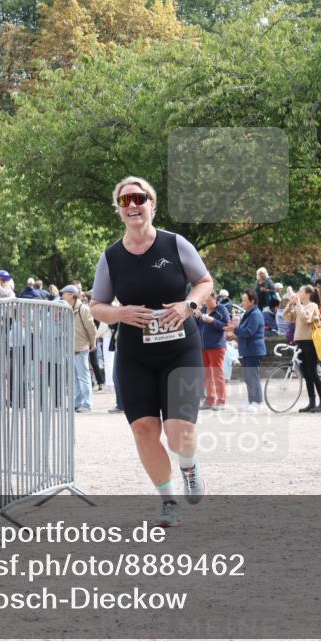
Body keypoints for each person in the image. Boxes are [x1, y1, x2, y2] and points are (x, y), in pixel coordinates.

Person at [89, 176, 213, 527]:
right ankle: (167, 498)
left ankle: (188, 467)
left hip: (180, 351)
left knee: (179, 433)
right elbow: (96, 305)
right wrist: (121, 314)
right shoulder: (111, 257)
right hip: (135, 354)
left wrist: (189, 305)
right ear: (118, 209)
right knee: (144, 428)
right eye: (125, 200)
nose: (132, 205)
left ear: (152, 204)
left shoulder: (175, 245)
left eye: (139, 198)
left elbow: (204, 282)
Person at [286, 285, 321, 413]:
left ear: (307, 294)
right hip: (300, 343)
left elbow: (306, 318)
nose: (298, 293)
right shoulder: (300, 307)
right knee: (306, 374)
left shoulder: (312, 306)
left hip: (310, 343)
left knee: (312, 373)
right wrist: (291, 303)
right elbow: (286, 316)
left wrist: (298, 304)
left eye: (301, 291)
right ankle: (312, 402)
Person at [226, 290, 265, 413]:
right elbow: (243, 331)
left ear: (252, 301)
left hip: (254, 349)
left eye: (244, 300)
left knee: (253, 376)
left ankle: (257, 402)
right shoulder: (249, 313)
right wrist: (233, 334)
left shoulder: (255, 314)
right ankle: (251, 401)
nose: (242, 302)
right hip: (248, 350)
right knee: (248, 377)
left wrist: (234, 329)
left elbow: (249, 332)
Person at [61, 284, 96, 413]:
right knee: (75, 377)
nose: (62, 295)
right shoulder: (67, 308)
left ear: (71, 295)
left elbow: (91, 328)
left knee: (83, 377)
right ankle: (77, 403)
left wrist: (93, 343)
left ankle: (87, 404)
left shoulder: (83, 309)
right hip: (71, 348)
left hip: (81, 347)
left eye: (64, 293)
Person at [195, 290, 229, 410]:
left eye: (209, 300)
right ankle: (210, 400)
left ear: (215, 299)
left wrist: (212, 321)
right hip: (203, 346)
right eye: (205, 300)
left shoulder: (222, 310)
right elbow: (197, 325)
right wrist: (197, 317)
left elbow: (225, 326)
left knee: (217, 374)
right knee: (206, 375)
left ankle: (221, 401)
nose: (206, 303)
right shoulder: (203, 309)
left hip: (217, 346)